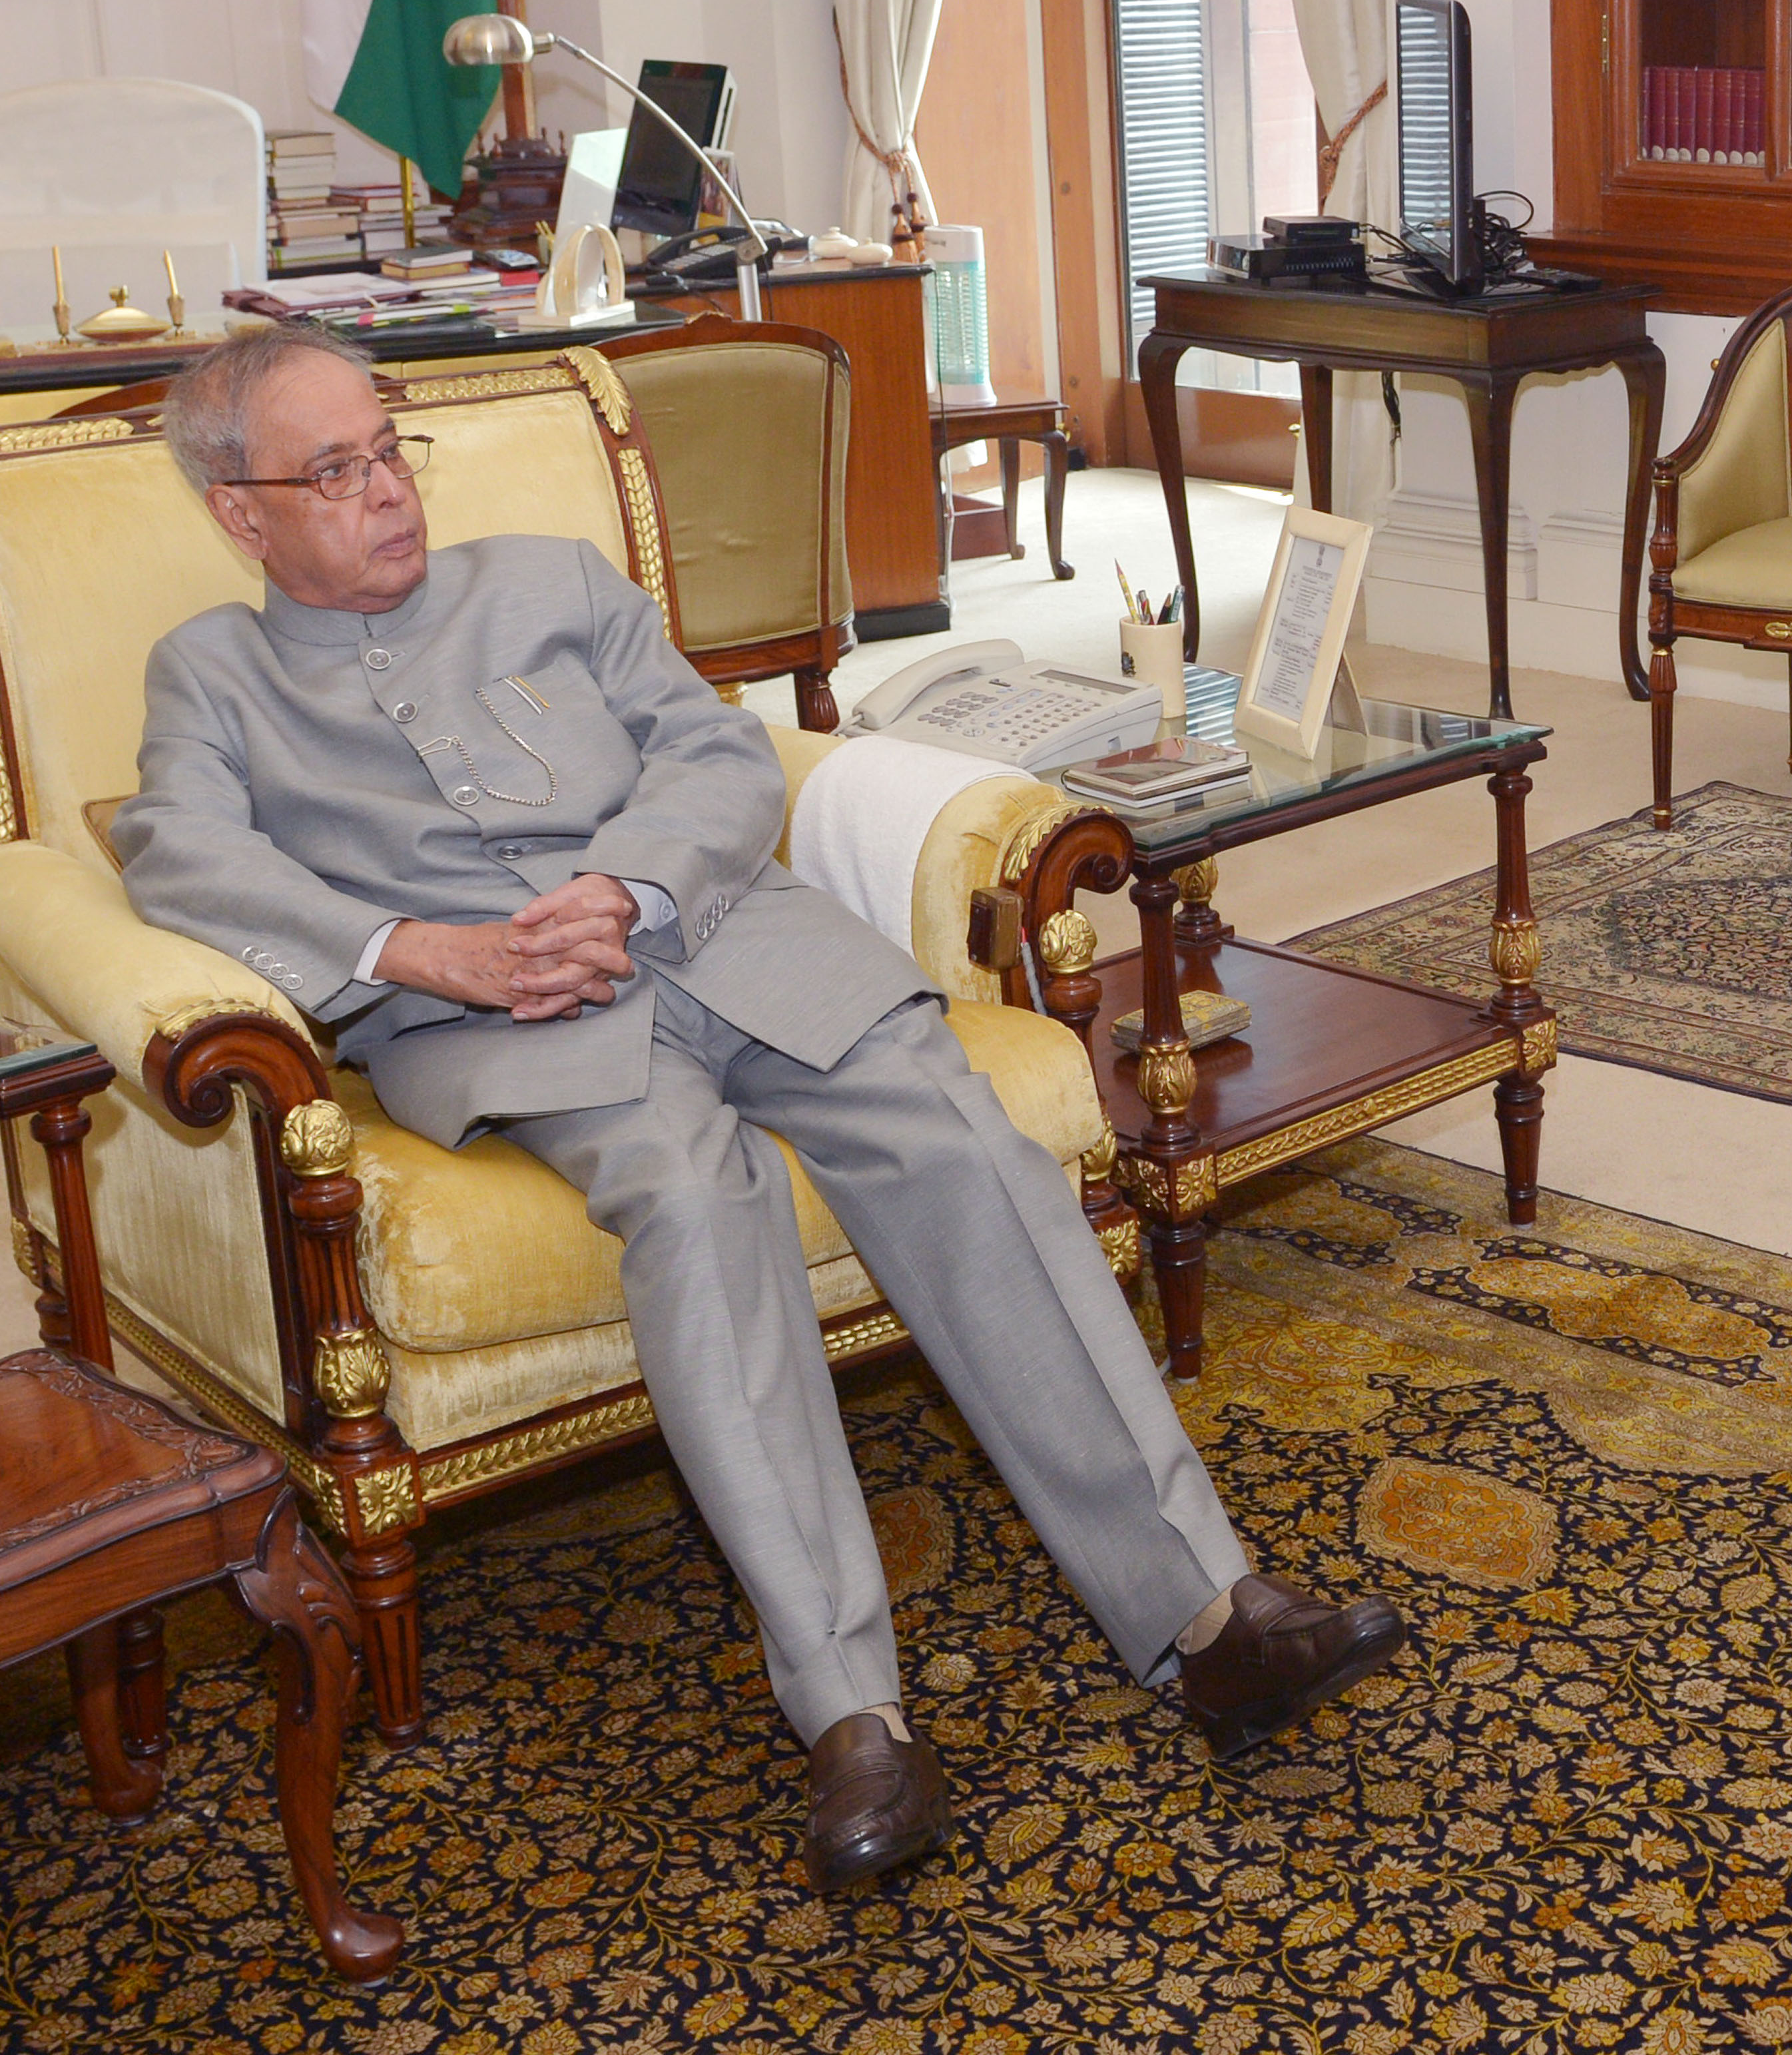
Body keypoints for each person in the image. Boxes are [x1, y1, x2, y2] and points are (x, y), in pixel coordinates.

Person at [117, 323, 1410, 1895]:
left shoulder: (555, 579)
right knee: (686, 1191)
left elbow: (720, 752)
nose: (388, 490)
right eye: (335, 471)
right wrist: (420, 951)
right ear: (239, 513)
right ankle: (853, 1712)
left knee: (960, 1134)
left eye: (391, 446)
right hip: (518, 1024)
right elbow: (178, 852)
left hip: (728, 936)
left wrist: (628, 877)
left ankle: (1211, 1615)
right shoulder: (212, 674)